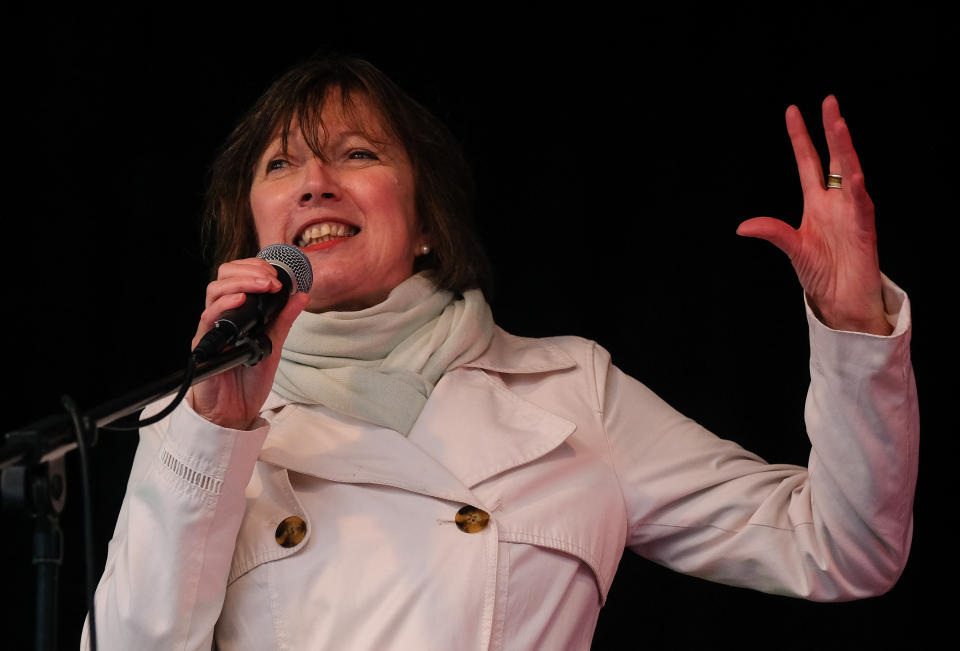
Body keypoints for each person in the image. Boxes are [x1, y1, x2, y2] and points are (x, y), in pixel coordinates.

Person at [81, 56, 918, 650]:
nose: (315, 182)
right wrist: (216, 430)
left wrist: (854, 329)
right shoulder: (197, 425)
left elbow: (840, 547)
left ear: (426, 227)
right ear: (255, 235)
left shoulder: (570, 389)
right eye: (281, 164)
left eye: (358, 153)